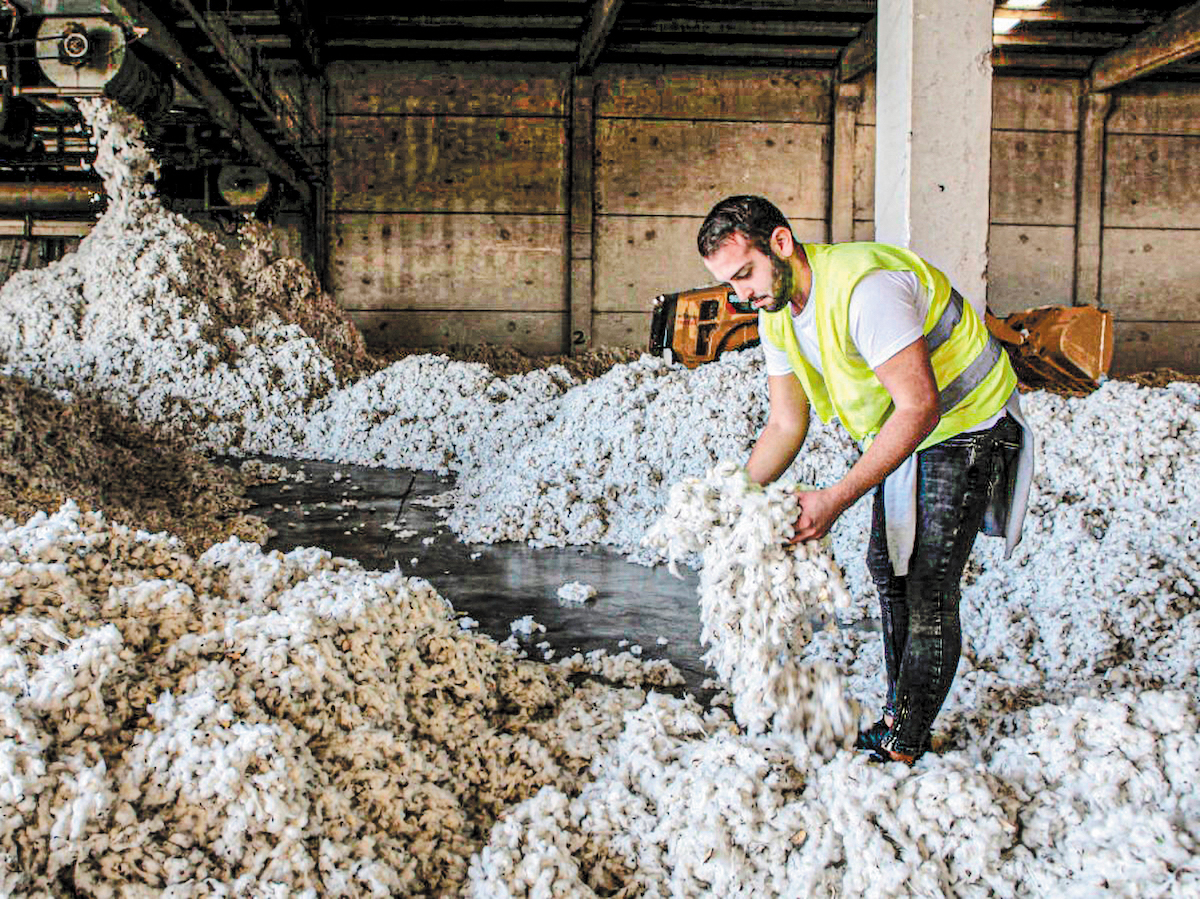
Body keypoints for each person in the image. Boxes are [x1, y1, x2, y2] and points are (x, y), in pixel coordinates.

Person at [696, 195, 1034, 764]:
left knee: (927, 582)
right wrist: (734, 497)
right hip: (916, 425)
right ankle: (900, 717)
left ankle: (905, 740)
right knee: (888, 567)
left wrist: (834, 497)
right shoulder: (776, 311)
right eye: (729, 283)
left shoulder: (863, 291)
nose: (740, 294)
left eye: (745, 274)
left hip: (966, 422)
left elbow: (920, 407)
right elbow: (786, 421)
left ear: (780, 243)